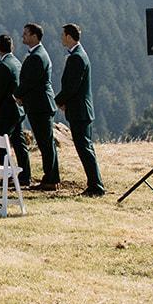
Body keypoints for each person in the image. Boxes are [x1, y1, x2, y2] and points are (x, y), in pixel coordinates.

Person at [57, 23, 105, 197]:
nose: (61, 38)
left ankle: (96, 186)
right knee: (85, 147)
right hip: (80, 109)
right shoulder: (79, 55)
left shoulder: (76, 57)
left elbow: (72, 86)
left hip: (79, 110)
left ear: (69, 37)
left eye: (63, 35)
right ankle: (94, 183)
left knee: (84, 148)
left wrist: (58, 101)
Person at [17, 24, 61, 189]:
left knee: (45, 143)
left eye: (26, 33)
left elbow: (30, 81)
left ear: (34, 36)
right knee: (46, 143)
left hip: (40, 105)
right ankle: (51, 177)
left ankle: (50, 179)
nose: (23, 36)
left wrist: (17, 95)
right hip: (40, 104)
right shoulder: (38, 54)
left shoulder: (37, 56)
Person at [0, 33, 30, 185]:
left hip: (6, 110)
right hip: (17, 109)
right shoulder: (17, 62)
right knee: (19, 143)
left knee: (0, 141)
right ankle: (25, 175)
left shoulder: (3, 65)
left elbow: (0, 90)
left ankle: (8, 174)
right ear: (12, 47)